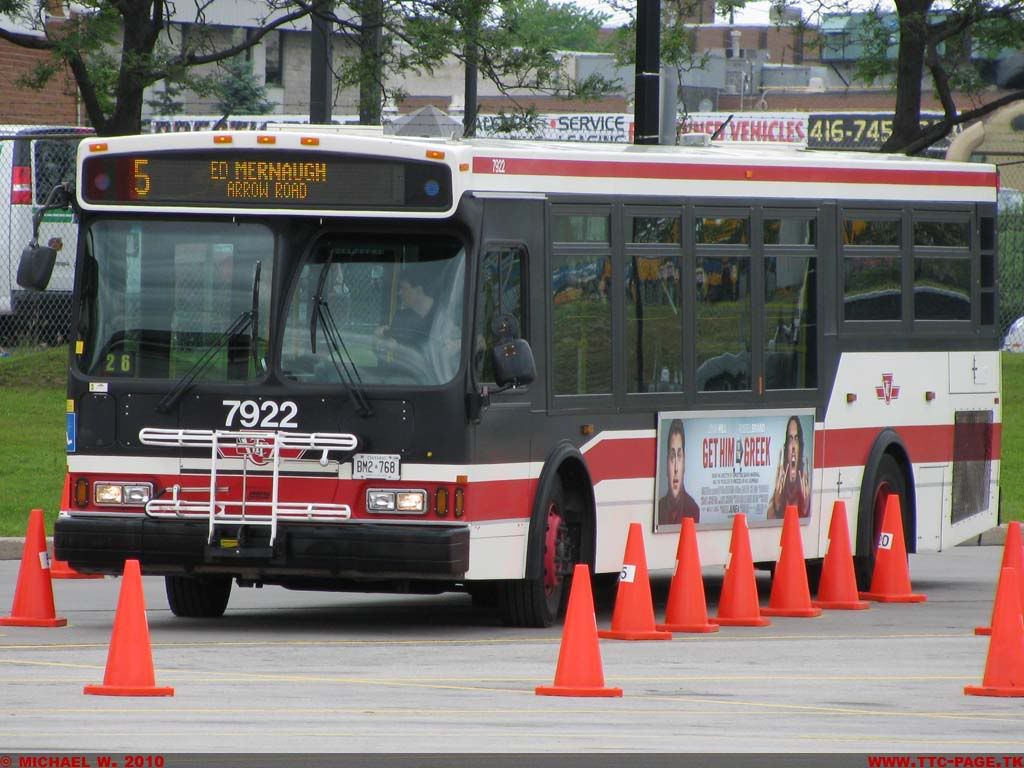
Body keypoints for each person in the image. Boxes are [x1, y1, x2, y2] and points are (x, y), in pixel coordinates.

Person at [375, 265, 437, 349]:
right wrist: (381, 338)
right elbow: (390, 349)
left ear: (418, 290)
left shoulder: (445, 314)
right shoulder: (400, 318)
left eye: (404, 288)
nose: (399, 293)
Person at [657, 418, 700, 526]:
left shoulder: (693, 509)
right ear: (666, 465)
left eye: (679, 456)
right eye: (672, 457)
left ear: (684, 464)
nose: (676, 468)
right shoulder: (659, 508)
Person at [767, 415, 811, 519]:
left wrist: (806, 510)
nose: (793, 446)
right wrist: (776, 507)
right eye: (790, 439)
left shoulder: (806, 493)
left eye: (796, 439)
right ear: (786, 448)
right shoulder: (779, 494)